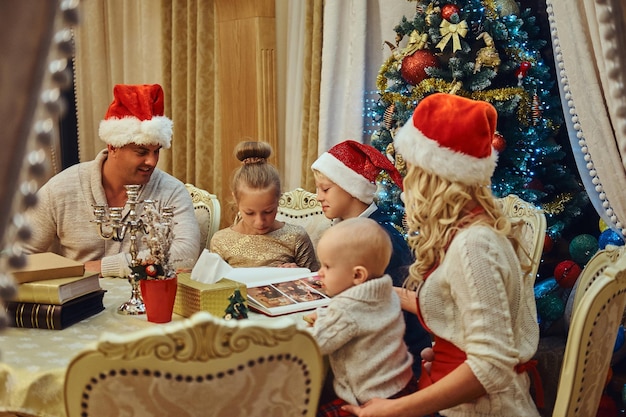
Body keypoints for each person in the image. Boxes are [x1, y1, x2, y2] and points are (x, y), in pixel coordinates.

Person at [343, 93, 541, 417]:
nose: (404, 181)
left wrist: (396, 409)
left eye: (410, 169)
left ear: (433, 176)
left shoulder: (473, 246)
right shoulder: (471, 233)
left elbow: (491, 368)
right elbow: (459, 309)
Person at [22, 84, 201, 278]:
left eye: (156, 151)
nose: (151, 161)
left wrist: (105, 267)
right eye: (141, 152)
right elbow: (21, 253)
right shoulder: (61, 189)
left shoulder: (172, 191)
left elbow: (186, 255)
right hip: (77, 304)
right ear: (113, 147)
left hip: (146, 304)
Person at [311, 139, 431, 377]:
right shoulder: (349, 229)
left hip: (395, 362)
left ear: (352, 189)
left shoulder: (380, 239)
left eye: (325, 189)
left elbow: (382, 310)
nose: (317, 197)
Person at [305, 217, 417, 417]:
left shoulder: (346, 309)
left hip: (369, 399)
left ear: (358, 276)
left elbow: (316, 344)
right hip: (403, 386)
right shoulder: (387, 293)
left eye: (327, 267)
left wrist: (321, 320)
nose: (320, 273)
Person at [209, 140, 319, 271]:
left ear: (279, 199)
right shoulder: (221, 241)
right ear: (236, 200)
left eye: (268, 211)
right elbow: (213, 289)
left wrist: (298, 274)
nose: (260, 222)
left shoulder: (296, 237)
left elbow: (317, 284)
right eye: (249, 213)